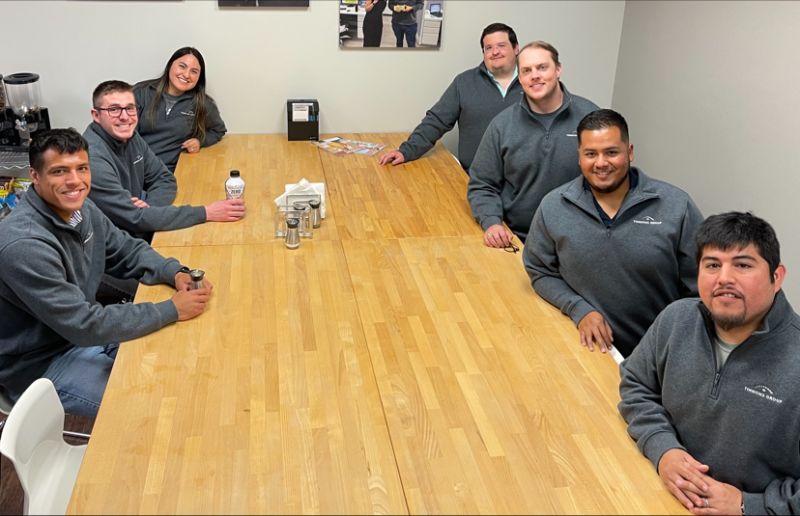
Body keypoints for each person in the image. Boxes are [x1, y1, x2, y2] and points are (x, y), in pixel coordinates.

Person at [0, 129, 213, 417]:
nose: (75, 181)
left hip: (80, 333)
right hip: (40, 365)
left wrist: (173, 271)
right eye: (59, 171)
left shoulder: (81, 208)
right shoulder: (24, 245)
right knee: (160, 410)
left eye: (82, 168)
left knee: (181, 365)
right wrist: (171, 309)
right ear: (35, 176)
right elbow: (84, 324)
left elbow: (125, 249)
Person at [619, 212, 800, 515]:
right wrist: (664, 448)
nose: (724, 278)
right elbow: (636, 385)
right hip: (656, 495)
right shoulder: (676, 319)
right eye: (712, 265)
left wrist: (748, 505)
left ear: (777, 277)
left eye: (742, 265)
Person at [523, 109, 703, 357]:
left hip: (661, 354)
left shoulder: (676, 206)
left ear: (629, 152)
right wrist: (579, 309)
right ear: (579, 157)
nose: (600, 163)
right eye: (590, 154)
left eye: (611, 152)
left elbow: (702, 287)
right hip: (588, 349)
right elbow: (540, 270)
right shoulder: (554, 206)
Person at [467, 41, 598, 248]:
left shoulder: (591, 119)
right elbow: (482, 183)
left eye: (542, 67)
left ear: (558, 70)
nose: (535, 75)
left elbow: (612, 179)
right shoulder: (503, 124)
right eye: (527, 70)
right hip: (517, 238)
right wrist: (492, 222)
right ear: (520, 78)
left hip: (579, 238)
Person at [84, 80, 244, 239]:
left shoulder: (131, 136)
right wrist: (206, 212)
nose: (125, 117)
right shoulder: (92, 159)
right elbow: (135, 219)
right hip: (115, 249)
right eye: (114, 109)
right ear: (96, 115)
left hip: (137, 231)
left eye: (130, 108)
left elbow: (164, 178)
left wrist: (149, 208)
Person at [378, 22, 522, 171]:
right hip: (476, 180)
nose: (495, 52)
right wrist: (406, 151)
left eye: (501, 45)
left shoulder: (534, 85)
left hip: (524, 181)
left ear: (516, 48)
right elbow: (436, 121)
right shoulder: (464, 82)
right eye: (488, 48)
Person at [134, 47, 227, 173]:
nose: (186, 75)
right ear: (170, 65)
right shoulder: (141, 92)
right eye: (182, 66)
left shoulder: (202, 103)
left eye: (194, 71)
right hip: (133, 169)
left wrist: (200, 141)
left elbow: (218, 130)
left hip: (168, 173)